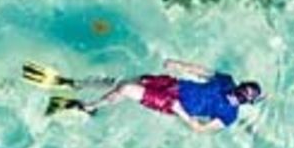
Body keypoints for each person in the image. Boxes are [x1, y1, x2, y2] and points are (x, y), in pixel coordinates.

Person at [42, 59, 262, 131]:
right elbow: (200, 71)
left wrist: (180, 112)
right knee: (120, 82)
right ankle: (76, 84)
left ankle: (88, 107)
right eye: (240, 91)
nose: (238, 96)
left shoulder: (229, 116)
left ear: (247, 103)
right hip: (172, 84)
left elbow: (200, 129)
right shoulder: (226, 80)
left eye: (244, 98)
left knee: (127, 90)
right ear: (239, 85)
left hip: (171, 103)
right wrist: (178, 64)